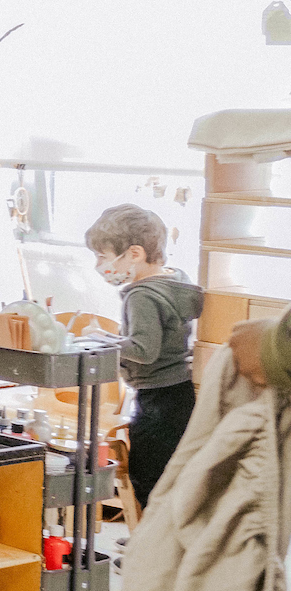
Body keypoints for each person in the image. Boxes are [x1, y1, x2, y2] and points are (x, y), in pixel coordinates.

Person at [88, 203, 204, 514]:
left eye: (102, 256)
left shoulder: (141, 295)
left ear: (135, 254)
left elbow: (143, 350)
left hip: (157, 398)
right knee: (170, 475)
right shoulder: (174, 280)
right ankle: (157, 541)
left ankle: (155, 547)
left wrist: (105, 341)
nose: (98, 265)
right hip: (180, 393)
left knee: (148, 476)